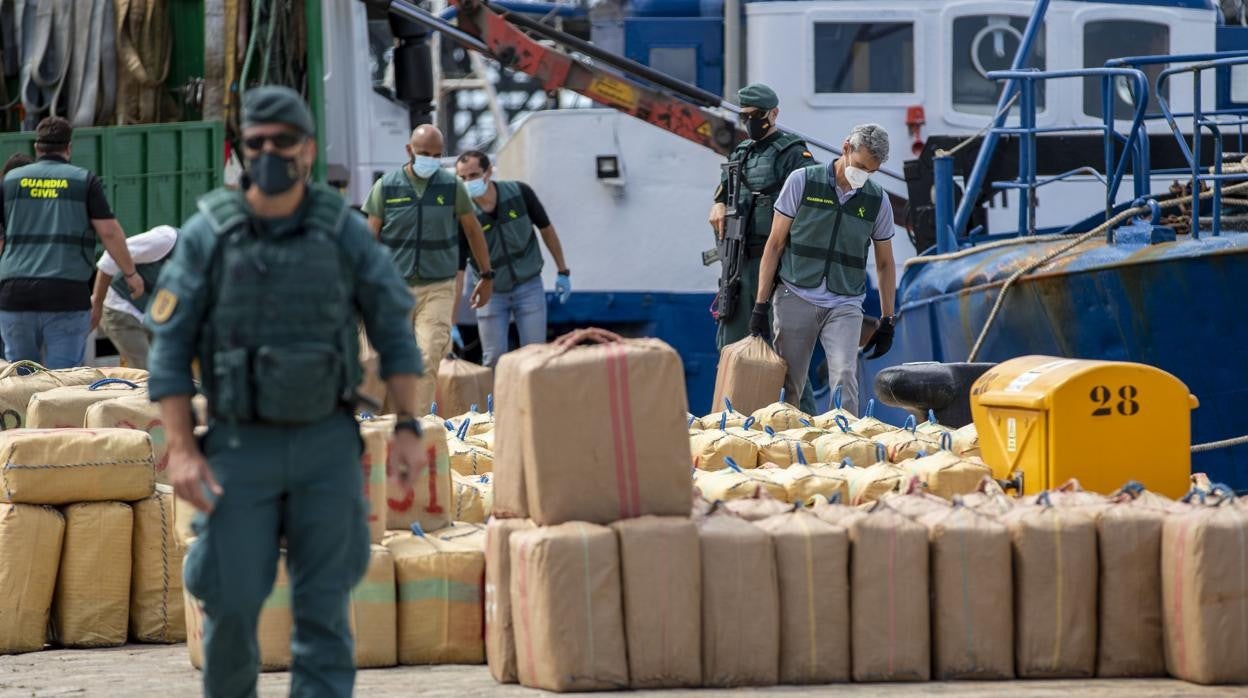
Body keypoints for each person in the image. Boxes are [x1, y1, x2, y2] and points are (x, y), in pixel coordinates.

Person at [148, 86, 428, 697]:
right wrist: (183, 449)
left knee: (325, 617)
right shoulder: (209, 234)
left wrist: (409, 427)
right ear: (241, 149)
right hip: (237, 447)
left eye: (283, 141)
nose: (270, 152)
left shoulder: (342, 233)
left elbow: (394, 330)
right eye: (258, 143)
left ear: (308, 148)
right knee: (228, 608)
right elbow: (168, 350)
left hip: (326, 445)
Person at [750, 124, 898, 416]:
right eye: (860, 166)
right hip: (795, 294)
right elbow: (775, 244)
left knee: (844, 375)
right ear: (845, 148)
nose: (863, 176)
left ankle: (845, 449)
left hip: (845, 302)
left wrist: (887, 320)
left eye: (871, 171)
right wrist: (760, 304)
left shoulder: (877, 200)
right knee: (789, 384)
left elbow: (885, 263)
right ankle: (785, 447)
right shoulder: (803, 181)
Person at [363, 125, 494, 410]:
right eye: (424, 154)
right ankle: (383, 430)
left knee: (427, 357)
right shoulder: (386, 186)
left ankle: (415, 427)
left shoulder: (452, 187)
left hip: (438, 287)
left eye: (436, 156)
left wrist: (486, 275)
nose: (430, 161)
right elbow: (368, 238)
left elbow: (473, 231)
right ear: (409, 151)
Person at [0, 117, 143, 368]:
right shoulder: (83, 181)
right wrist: (131, 274)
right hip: (65, 296)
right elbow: (109, 232)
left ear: (37, 147)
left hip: (16, 296)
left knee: (19, 382)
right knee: (63, 386)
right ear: (68, 148)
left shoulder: (11, 181)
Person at [708, 83, 815, 351]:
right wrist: (718, 205)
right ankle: (732, 395)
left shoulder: (793, 153)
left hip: (778, 263)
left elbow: (813, 202)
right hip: (738, 264)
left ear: (773, 114)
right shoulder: (740, 154)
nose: (750, 122)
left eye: (756, 115)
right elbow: (724, 191)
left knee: (782, 350)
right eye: (745, 116)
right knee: (731, 346)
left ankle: (792, 396)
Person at [454, 149, 571, 367]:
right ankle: (495, 402)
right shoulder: (462, 215)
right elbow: (458, 269)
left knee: (535, 355)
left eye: (473, 175)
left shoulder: (519, 193)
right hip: (490, 291)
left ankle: (533, 402)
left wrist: (563, 271)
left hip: (528, 285)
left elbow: (546, 230)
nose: (468, 182)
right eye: (462, 178)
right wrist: (449, 320)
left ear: (488, 172)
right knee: (493, 357)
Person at [90, 224, 178, 369]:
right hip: (121, 307)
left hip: (152, 316)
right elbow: (110, 257)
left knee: (170, 371)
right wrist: (97, 303)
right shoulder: (167, 239)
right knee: (149, 373)